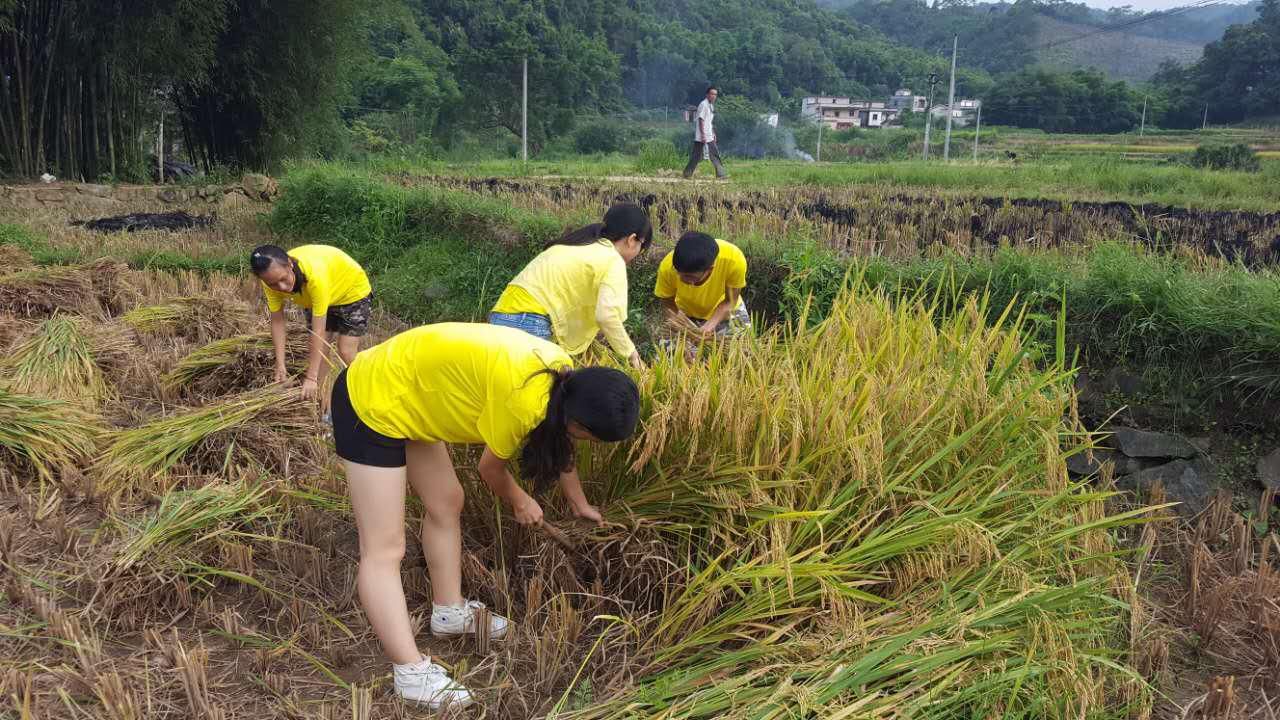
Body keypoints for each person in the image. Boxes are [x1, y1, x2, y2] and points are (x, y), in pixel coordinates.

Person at [330, 322, 641, 710]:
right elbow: (490, 470)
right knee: (384, 547)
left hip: (409, 393)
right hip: (370, 400)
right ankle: (409, 672)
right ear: (579, 424)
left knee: (447, 502)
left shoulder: (563, 377)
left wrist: (579, 504)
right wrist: (520, 500)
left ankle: (449, 613)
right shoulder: (524, 399)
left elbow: (560, 444)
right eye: (593, 438)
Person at [490, 203, 651, 370]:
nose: (638, 253)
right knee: (539, 392)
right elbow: (607, 316)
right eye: (642, 246)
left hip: (501, 314)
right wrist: (634, 357)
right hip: (529, 322)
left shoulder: (578, 245)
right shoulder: (612, 259)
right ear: (632, 240)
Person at [250, 244, 372, 407]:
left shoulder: (315, 275)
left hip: (350, 292)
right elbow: (278, 322)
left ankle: (370, 394)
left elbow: (318, 331)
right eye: (273, 284)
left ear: (289, 264)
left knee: (346, 350)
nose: (282, 288)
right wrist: (280, 366)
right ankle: (320, 406)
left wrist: (311, 377)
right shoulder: (269, 282)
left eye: (283, 279)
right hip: (316, 297)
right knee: (320, 356)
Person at [654, 231, 750, 356]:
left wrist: (709, 326)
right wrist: (687, 331)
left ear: (710, 269)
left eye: (690, 277)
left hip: (726, 310)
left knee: (743, 354)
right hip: (685, 314)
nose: (683, 280)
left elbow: (730, 301)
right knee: (672, 359)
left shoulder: (733, 259)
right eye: (680, 274)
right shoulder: (667, 268)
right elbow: (668, 306)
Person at [683, 86, 727, 180]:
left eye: (715, 94)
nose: (714, 96)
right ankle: (687, 174)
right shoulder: (703, 104)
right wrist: (703, 135)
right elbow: (701, 120)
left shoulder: (710, 106)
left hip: (709, 135)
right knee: (697, 156)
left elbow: (709, 122)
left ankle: (720, 175)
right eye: (712, 94)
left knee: (714, 155)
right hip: (702, 136)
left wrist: (713, 132)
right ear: (707, 95)